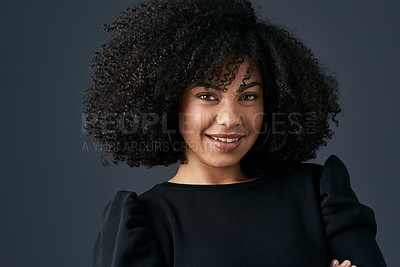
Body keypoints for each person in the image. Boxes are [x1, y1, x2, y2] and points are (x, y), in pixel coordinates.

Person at [83, 0, 386, 266]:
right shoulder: (144, 222)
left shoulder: (318, 194)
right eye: (208, 95)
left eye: (249, 96)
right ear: (170, 103)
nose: (230, 119)